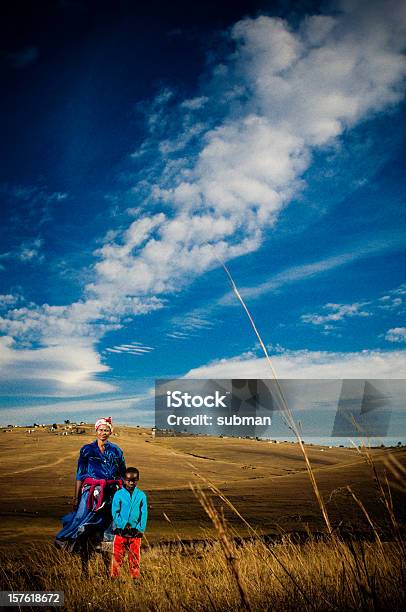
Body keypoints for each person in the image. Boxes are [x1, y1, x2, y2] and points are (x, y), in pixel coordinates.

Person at [55, 417, 126, 567]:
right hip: (90, 492)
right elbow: (80, 474)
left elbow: (123, 472)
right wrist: (76, 497)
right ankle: (81, 555)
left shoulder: (117, 450)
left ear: (110, 432)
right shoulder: (87, 450)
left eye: (106, 430)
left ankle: (109, 561)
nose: (103, 433)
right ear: (96, 431)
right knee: (82, 521)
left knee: (112, 524)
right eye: (101, 430)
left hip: (111, 492)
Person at [110, 467, 148, 581]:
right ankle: (115, 577)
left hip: (135, 532)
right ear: (124, 480)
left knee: (135, 556)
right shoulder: (118, 494)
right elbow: (115, 512)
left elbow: (144, 512)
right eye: (128, 480)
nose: (131, 482)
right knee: (117, 555)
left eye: (134, 480)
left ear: (138, 480)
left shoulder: (141, 495)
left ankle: (135, 577)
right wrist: (123, 524)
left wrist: (140, 529)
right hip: (121, 531)